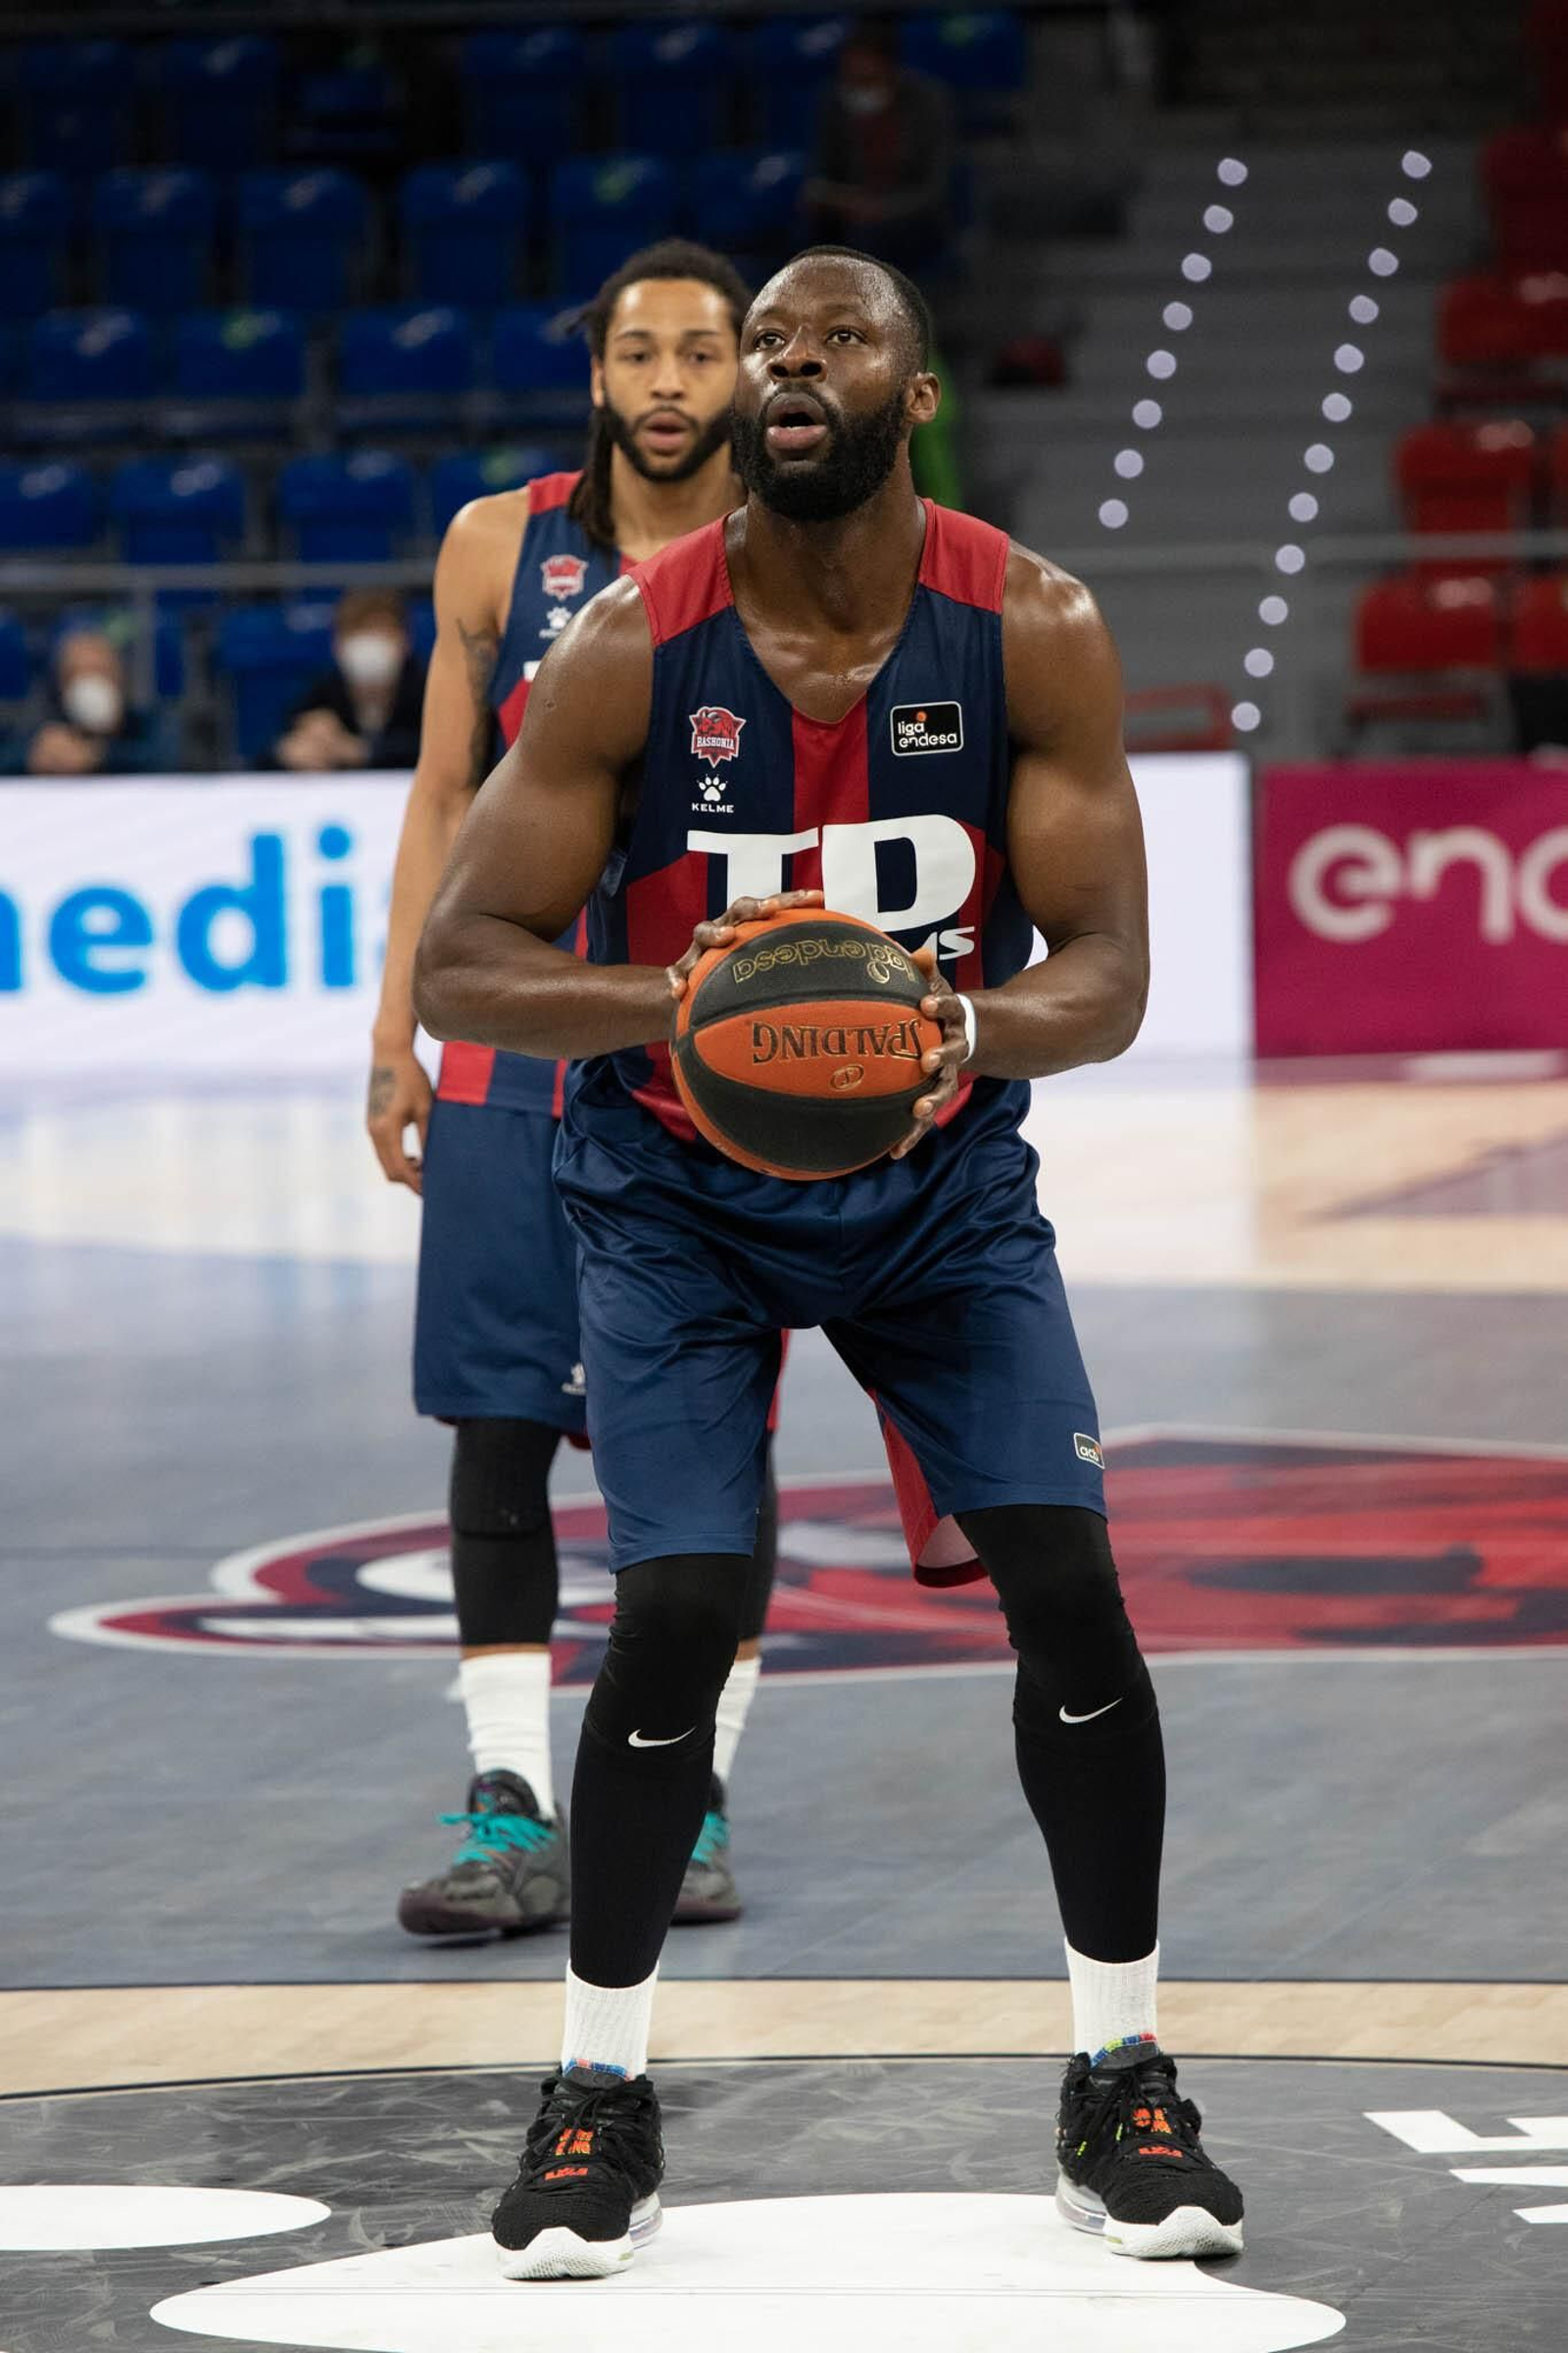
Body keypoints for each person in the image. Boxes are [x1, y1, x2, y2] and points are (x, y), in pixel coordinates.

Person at [416, 244, 1247, 2279]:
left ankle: (1116, 2080)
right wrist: (668, 1002)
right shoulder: (625, 643)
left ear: (908, 388)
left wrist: (940, 1031)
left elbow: (1111, 977)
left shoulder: (1025, 624)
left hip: (938, 1187)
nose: (787, 363)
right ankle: (596, 2096)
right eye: (762, 342)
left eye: (830, 337)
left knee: (1067, 1582)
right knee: (682, 1598)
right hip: (674, 1193)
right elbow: (463, 959)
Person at [368, 241, 779, 1943]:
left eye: (702, 351)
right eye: (642, 352)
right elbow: (440, 799)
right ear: (597, 377)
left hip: (709, 1059)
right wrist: (395, 1028)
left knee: (705, 1448)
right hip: (515, 1047)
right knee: (501, 1429)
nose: (672, 380)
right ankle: (504, 1798)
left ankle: (692, 1796)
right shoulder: (495, 545)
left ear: (746, 378)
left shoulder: (799, 556)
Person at [804, 19, 955, 272]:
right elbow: (821, 171)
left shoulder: (927, 104)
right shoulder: (834, 103)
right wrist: (833, 197)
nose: (858, 88)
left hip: (909, 215)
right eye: (851, 80)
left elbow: (933, 189)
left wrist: (883, 210)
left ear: (889, 70)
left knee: (868, 237)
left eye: (867, 79)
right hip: (850, 210)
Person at [272, 588, 424, 772]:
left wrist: (364, 751)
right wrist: (289, 752)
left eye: (381, 633)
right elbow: (273, 749)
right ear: (337, 644)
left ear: (405, 640)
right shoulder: (322, 692)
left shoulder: (428, 690)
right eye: (358, 633)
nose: (369, 644)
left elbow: (441, 749)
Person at [13, 626, 176, 776]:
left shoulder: (146, 722)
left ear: (119, 676)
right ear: (61, 683)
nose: (90, 681)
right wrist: (34, 756)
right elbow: (8, 753)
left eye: (99, 671)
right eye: (77, 673)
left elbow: (169, 757)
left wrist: (97, 756)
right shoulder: (44, 724)